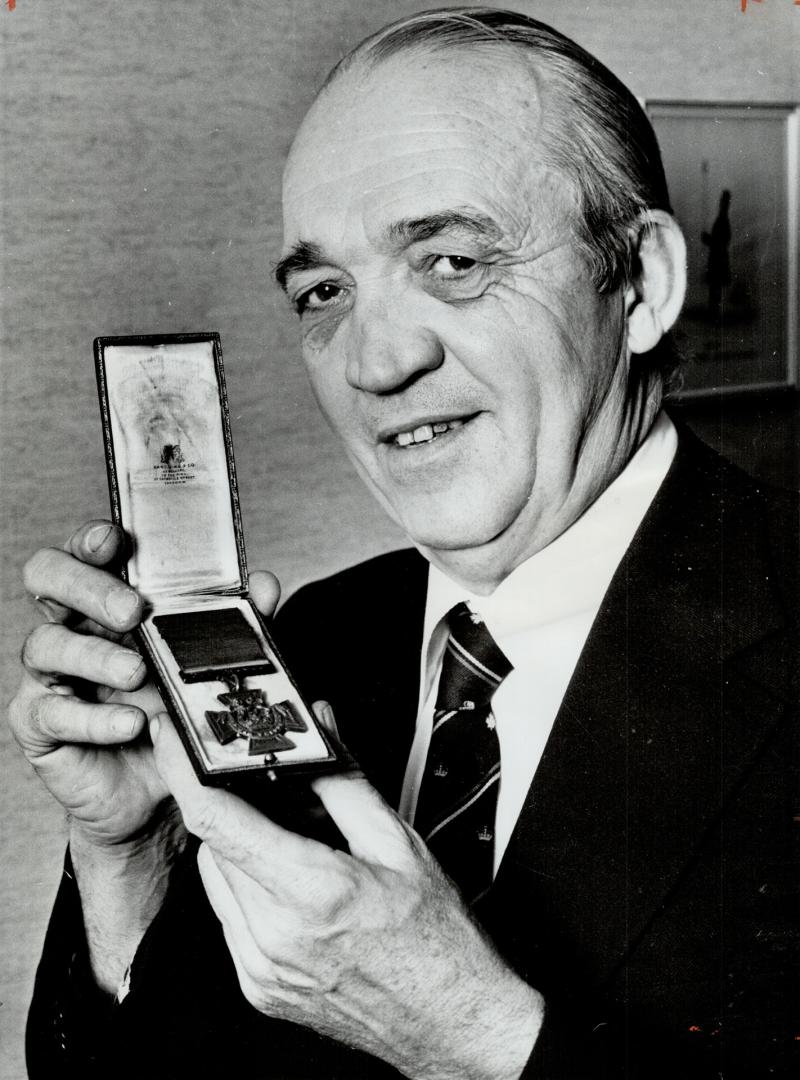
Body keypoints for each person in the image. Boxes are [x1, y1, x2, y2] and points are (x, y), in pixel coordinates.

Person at [9, 9, 798, 1079]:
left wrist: (471, 1037)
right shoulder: (309, 644)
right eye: (324, 293)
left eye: (452, 259)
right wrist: (129, 862)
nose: (373, 366)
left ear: (642, 282)